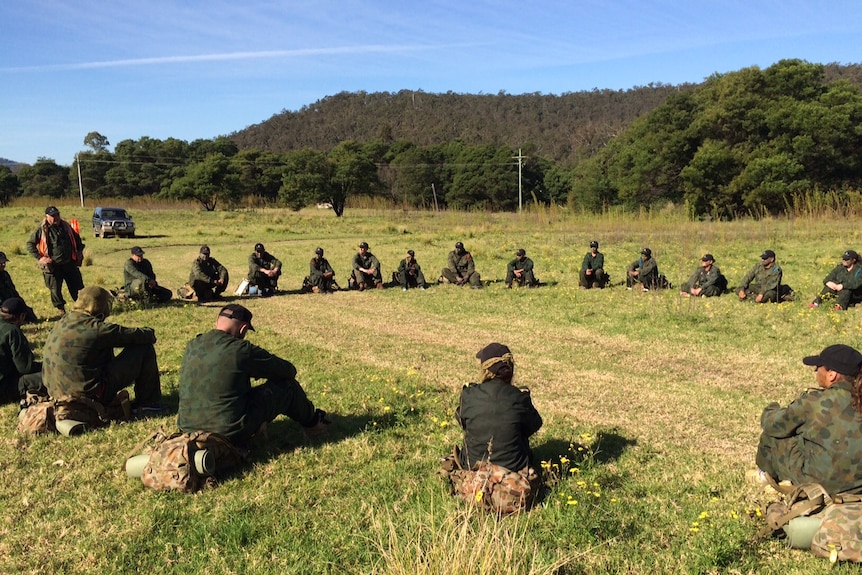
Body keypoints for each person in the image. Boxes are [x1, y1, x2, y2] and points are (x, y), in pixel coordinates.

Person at [177, 304, 330, 447]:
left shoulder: (192, 345)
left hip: (188, 429)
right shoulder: (241, 350)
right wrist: (259, 370)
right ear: (243, 329)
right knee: (287, 386)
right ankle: (313, 424)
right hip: (228, 432)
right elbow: (288, 371)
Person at [443, 343, 543, 512]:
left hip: (472, 469)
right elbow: (534, 425)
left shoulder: (469, 394)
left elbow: (463, 423)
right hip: (513, 474)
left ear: (485, 370)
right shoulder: (520, 398)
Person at [755, 344, 862, 495]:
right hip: (857, 488)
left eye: (818, 367)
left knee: (774, 436)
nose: (816, 371)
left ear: (832, 375)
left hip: (819, 485)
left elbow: (773, 424)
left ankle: (765, 477)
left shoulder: (815, 401)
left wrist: (771, 409)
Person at [42, 286, 165, 413]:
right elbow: (145, 336)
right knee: (144, 348)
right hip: (88, 397)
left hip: (57, 394)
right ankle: (148, 404)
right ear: (99, 306)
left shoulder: (62, 323)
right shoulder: (98, 329)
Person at [25, 206, 85, 315]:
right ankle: (61, 310)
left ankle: (82, 307)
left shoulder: (66, 226)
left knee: (78, 287)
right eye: (53, 216)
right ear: (47, 217)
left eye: (57, 215)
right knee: (55, 290)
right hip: (53, 266)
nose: (56, 217)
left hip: (69, 263)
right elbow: (30, 244)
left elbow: (78, 241)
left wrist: (79, 252)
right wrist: (40, 258)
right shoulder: (41, 229)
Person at [0, 298, 46, 403]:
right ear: (21, 316)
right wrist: (46, 366)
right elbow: (25, 367)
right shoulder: (12, 331)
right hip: (4, 387)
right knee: (51, 377)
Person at [0, 251, 38, 322]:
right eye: (1, 263)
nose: (3, 264)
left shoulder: (5, 274)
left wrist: (20, 302)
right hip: (3, 306)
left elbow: (13, 290)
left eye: (4, 262)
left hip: (10, 301)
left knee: (31, 317)